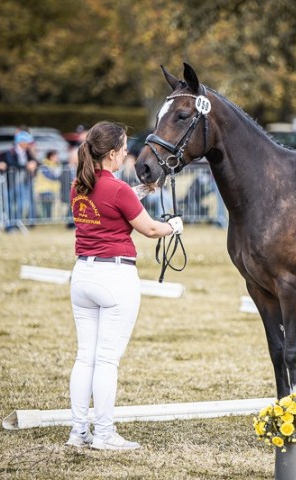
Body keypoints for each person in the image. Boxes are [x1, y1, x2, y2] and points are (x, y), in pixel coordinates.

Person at [67, 121, 183, 450]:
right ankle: (104, 434)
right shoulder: (116, 188)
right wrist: (173, 226)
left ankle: (78, 431)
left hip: (83, 275)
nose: (127, 154)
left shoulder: (80, 184)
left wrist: (143, 192)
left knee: (85, 357)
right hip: (115, 277)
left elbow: (113, 204)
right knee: (106, 360)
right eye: (125, 149)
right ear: (114, 154)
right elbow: (148, 229)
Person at [0, 129, 38, 231]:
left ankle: (17, 222)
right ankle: (9, 225)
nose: (28, 144)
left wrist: (34, 163)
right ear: (21, 142)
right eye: (27, 142)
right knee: (9, 203)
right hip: (11, 182)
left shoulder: (27, 152)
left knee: (21, 204)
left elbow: (35, 161)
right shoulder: (10, 152)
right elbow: (11, 164)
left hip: (23, 182)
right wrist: (26, 165)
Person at [35, 150, 62, 220]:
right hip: (44, 189)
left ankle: (47, 219)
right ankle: (45, 220)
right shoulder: (44, 166)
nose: (57, 158)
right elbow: (51, 176)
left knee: (49, 206)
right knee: (45, 206)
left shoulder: (56, 165)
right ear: (50, 157)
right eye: (55, 157)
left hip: (51, 189)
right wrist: (59, 175)